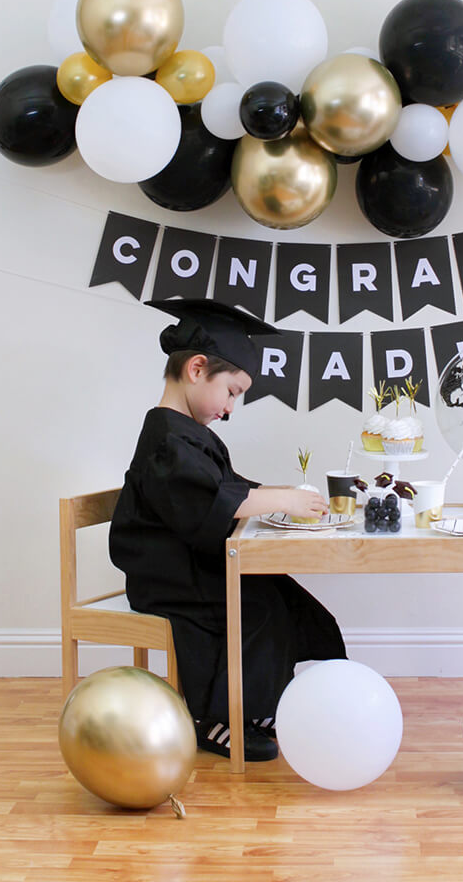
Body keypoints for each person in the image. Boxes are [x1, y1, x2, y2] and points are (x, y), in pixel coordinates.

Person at [109, 298, 347, 761]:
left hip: (191, 564)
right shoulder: (167, 439)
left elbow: (227, 488)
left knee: (279, 595)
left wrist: (277, 493)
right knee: (256, 607)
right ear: (197, 369)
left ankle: (259, 707)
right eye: (234, 391)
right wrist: (280, 499)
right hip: (169, 577)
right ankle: (215, 717)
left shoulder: (187, 432)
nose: (232, 408)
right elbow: (209, 503)